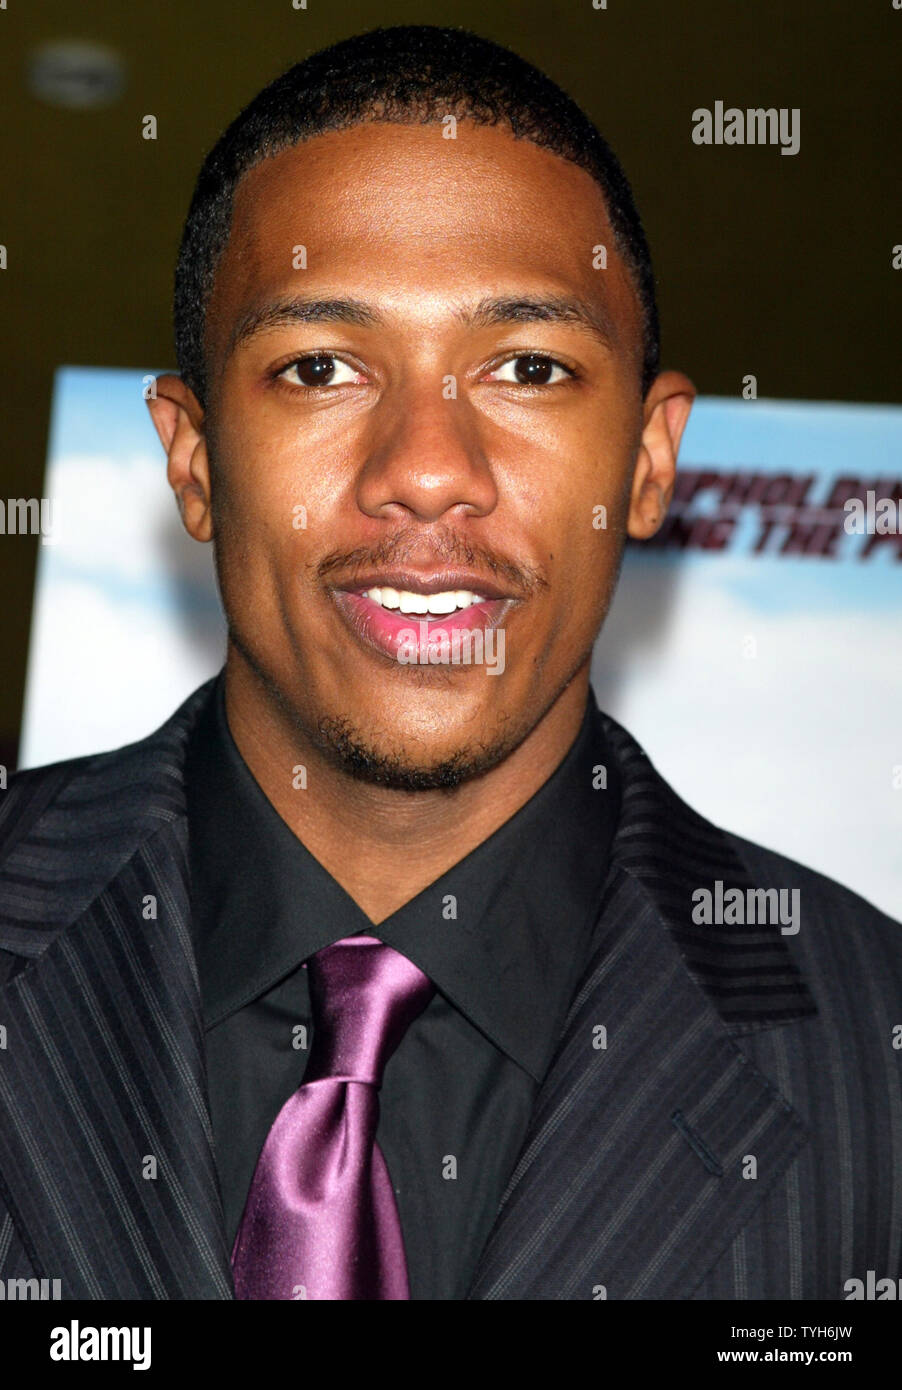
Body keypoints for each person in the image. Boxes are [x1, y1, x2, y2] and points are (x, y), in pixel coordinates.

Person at [0, 24, 899, 1302]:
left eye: (527, 368)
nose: (425, 467)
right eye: (319, 367)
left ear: (647, 461)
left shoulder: (877, 1056)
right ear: (193, 458)